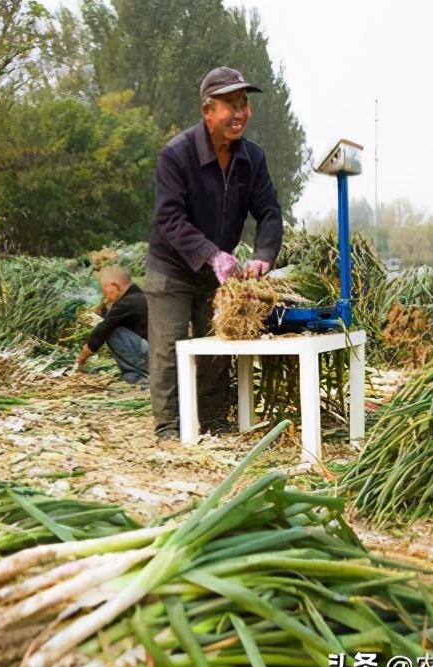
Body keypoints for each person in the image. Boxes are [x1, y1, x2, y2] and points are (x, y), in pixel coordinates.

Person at [145, 66, 284, 441]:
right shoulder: (177, 154)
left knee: (217, 345)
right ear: (208, 111)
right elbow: (169, 219)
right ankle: (169, 428)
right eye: (230, 105)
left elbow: (269, 211)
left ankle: (212, 421)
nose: (240, 113)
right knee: (168, 349)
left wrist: (263, 255)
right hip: (172, 267)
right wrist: (211, 253)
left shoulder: (252, 159)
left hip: (216, 274)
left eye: (244, 104)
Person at [75, 266, 149, 384]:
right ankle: (135, 373)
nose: (104, 295)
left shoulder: (128, 302)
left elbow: (103, 329)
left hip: (147, 354)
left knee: (112, 330)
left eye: (104, 289)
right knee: (111, 325)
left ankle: (140, 375)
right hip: (153, 350)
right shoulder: (138, 296)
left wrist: (82, 358)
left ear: (114, 287)